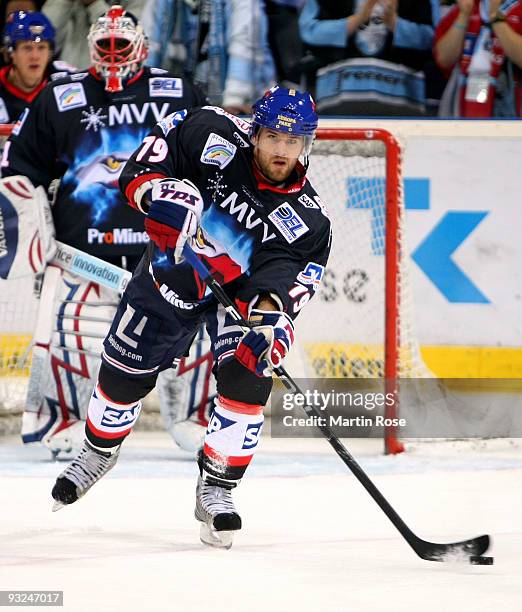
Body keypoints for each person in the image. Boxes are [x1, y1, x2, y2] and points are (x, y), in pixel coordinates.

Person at [50, 85, 331, 549]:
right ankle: (98, 452)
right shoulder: (206, 131)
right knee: (122, 377)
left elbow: (279, 284)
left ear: (307, 144)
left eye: (294, 140)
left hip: (235, 295)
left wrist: (269, 325)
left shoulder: (307, 219)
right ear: (255, 132)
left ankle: (217, 489)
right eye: (274, 137)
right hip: (172, 271)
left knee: (249, 371)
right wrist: (158, 197)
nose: (283, 150)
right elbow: (141, 171)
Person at [1, 5, 211, 459]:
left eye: (121, 45)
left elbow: (215, 165)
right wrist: (25, 213)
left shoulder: (178, 93)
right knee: (73, 332)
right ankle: (67, 420)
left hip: (165, 254)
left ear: (143, 47)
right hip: (83, 256)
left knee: (195, 334)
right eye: (105, 46)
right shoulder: (60, 96)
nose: (113, 55)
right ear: (91, 49)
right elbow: (17, 166)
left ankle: (194, 417)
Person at [298, 0, 441, 115]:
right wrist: (357, 19)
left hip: (402, 101)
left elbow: (433, 40)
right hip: (335, 98)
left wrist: (395, 23)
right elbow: (308, 31)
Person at [434, 0, 522, 117]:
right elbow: (444, 59)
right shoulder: (469, 5)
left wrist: (495, 16)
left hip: (510, 108)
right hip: (465, 105)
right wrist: (464, 15)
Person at [0, 10, 71, 123]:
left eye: (41, 47)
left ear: (50, 52)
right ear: (11, 52)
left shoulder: (68, 81)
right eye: (27, 48)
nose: (35, 56)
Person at [42, 0, 144, 70]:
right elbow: (44, 37)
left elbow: (125, 36)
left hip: (112, 80)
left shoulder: (137, 3)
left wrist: (94, 3)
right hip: (70, 80)